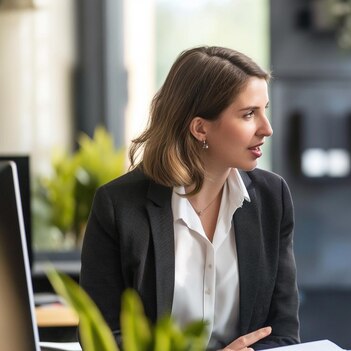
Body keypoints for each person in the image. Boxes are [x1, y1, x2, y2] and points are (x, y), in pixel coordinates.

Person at [80, 46, 299, 350]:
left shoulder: (272, 198)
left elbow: (282, 332)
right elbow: (102, 338)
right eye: (249, 114)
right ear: (200, 128)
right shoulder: (118, 206)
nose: (267, 128)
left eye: (265, 110)